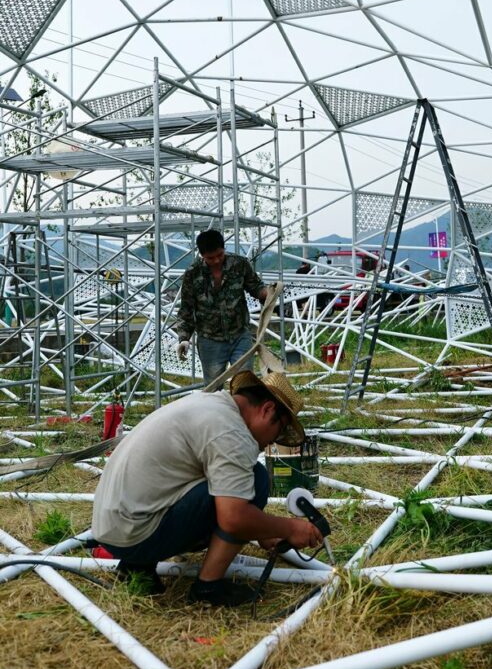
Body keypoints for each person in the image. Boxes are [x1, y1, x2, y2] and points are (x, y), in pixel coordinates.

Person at [91, 370, 322, 606]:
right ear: (268, 409)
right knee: (256, 480)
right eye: (279, 430)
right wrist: (290, 528)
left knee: (235, 487)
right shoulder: (232, 432)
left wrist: (263, 529)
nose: (272, 441)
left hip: (112, 530)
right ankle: (208, 589)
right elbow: (234, 518)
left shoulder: (210, 404)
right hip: (136, 535)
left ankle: (135, 568)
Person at [175, 229, 270, 384]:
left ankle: (241, 408)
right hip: (210, 340)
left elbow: (255, 287)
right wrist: (184, 338)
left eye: (220, 255)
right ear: (202, 255)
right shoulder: (193, 273)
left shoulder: (239, 264)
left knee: (245, 384)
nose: (217, 260)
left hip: (239, 335)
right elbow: (186, 309)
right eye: (210, 258)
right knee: (213, 388)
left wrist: (268, 293)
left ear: (224, 248)